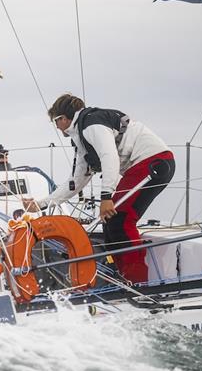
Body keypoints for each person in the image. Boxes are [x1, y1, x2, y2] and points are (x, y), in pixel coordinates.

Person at [23, 93, 175, 283]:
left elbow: (108, 156)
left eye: (55, 121)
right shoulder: (81, 137)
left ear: (63, 118)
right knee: (111, 224)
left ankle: (139, 282)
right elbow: (76, 180)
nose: (56, 127)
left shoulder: (92, 124)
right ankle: (125, 280)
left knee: (121, 220)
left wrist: (106, 197)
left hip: (154, 162)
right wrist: (41, 204)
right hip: (143, 166)